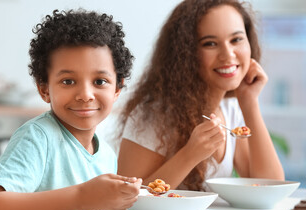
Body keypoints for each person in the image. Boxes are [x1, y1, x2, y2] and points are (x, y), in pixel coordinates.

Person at [0, 9, 141, 210]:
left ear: (117, 88)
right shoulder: (38, 138)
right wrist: (82, 196)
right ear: (44, 89)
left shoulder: (106, 155)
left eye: (100, 81)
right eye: (68, 81)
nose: (86, 94)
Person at [117, 0, 284, 191]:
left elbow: (270, 187)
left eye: (236, 39)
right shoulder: (153, 115)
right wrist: (190, 154)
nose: (228, 55)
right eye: (210, 43)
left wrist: (249, 102)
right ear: (185, 54)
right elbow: (126, 199)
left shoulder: (231, 109)